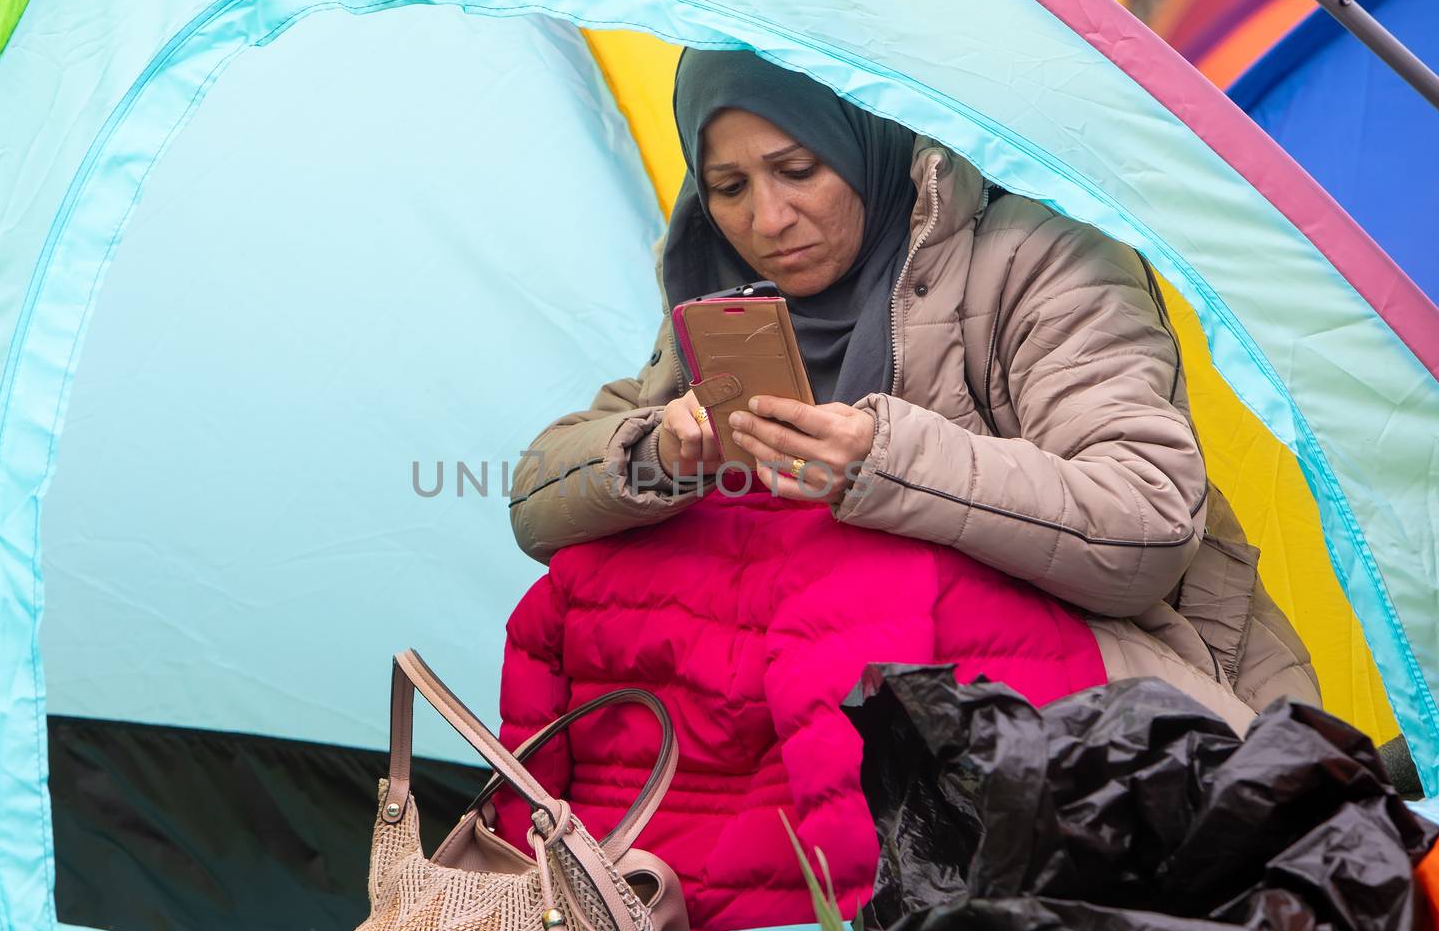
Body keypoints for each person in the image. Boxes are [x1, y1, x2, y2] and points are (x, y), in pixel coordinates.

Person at [508, 47, 1318, 734]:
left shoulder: (1041, 259)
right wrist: (661, 454)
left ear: (870, 141)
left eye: (799, 169)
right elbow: (533, 497)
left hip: (1131, 718)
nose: (769, 219)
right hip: (867, 740)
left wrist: (883, 464)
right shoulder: (727, 305)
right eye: (728, 188)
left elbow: (1146, 522)